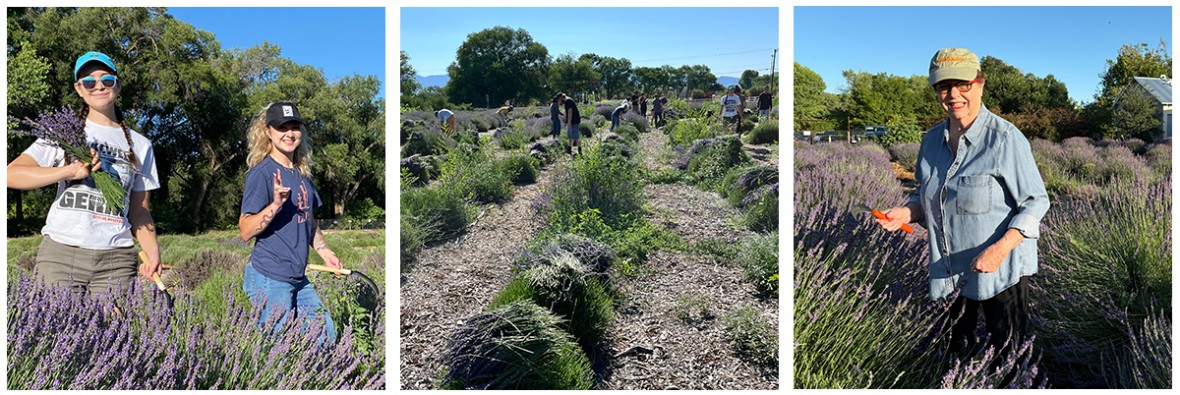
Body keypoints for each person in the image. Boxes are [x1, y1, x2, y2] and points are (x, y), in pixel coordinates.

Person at [873, 48, 1049, 367]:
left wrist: (1000, 248)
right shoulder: (930, 142)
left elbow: (1036, 201)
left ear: (979, 84)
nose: (953, 94)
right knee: (954, 348)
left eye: (963, 84)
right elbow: (926, 196)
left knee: (1011, 353)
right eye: (944, 86)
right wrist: (906, 213)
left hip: (1001, 270)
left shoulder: (1005, 139)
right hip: (950, 268)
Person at [7, 51, 162, 296]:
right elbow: (11, 174)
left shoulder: (141, 145)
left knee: (111, 333)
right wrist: (68, 171)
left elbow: (139, 210)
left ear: (117, 85)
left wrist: (152, 251)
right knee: (53, 330)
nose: (98, 86)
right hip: (61, 253)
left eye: (106, 80)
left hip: (116, 259)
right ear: (79, 89)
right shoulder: (62, 134)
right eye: (89, 82)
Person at [239, 101, 343, 342]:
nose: (289, 133)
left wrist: (326, 253)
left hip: (297, 276)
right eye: (281, 127)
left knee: (325, 337)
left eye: (294, 126)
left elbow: (309, 222)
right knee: (279, 351)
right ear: (267, 132)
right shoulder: (262, 173)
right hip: (269, 277)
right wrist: (275, 204)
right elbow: (245, 230)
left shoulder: (301, 175)